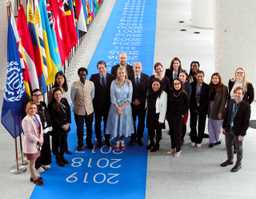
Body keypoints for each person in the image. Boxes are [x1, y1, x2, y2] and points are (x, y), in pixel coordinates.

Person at [221, 87, 251, 172]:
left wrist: (242, 134)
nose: (237, 95)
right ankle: (230, 160)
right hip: (228, 128)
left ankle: (238, 164)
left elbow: (246, 122)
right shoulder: (231, 102)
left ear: (243, 95)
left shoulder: (246, 106)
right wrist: (224, 126)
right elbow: (226, 115)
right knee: (228, 146)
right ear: (234, 94)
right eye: (236, 93)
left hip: (238, 131)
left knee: (238, 148)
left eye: (239, 93)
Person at [106, 67, 134, 151]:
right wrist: (118, 107)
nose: (121, 74)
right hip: (115, 107)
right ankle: (117, 141)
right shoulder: (113, 83)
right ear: (117, 74)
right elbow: (112, 97)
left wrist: (122, 107)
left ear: (125, 73)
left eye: (123, 72)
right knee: (116, 124)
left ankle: (122, 140)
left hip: (126, 108)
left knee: (123, 124)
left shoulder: (129, 83)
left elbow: (129, 97)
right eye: (119, 73)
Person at [90, 60, 114, 147]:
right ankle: (99, 140)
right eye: (99, 68)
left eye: (103, 68)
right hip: (97, 106)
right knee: (97, 123)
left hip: (108, 105)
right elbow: (91, 91)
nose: (101, 69)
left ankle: (107, 139)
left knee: (107, 123)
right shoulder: (93, 77)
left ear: (106, 68)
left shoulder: (111, 77)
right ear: (97, 69)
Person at [71, 67, 95, 151]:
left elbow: (92, 96)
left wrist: (87, 103)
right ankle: (80, 144)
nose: (83, 76)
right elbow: (72, 97)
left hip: (89, 110)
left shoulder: (91, 84)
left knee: (89, 128)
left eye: (84, 75)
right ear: (78, 75)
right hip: (78, 111)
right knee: (80, 129)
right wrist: (79, 104)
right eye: (81, 75)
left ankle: (89, 142)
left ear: (86, 75)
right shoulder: (74, 85)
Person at [22, 101, 44, 185]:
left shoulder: (37, 116)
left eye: (34, 108)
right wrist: (38, 140)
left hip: (37, 144)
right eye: (30, 108)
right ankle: (34, 178)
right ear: (27, 109)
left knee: (34, 161)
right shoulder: (26, 120)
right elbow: (28, 134)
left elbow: (40, 129)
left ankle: (33, 175)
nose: (33, 110)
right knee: (31, 163)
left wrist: (41, 138)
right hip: (30, 145)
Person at [49, 88, 71, 167]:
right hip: (57, 129)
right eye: (56, 94)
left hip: (66, 127)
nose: (58, 96)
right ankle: (58, 159)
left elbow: (69, 112)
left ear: (62, 94)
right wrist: (62, 125)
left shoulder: (64, 100)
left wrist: (68, 123)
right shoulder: (51, 105)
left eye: (59, 94)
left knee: (63, 144)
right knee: (57, 145)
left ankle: (62, 157)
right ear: (53, 95)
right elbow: (54, 118)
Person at [31, 89, 52, 172]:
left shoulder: (43, 104)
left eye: (39, 95)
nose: (38, 97)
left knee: (46, 146)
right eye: (36, 95)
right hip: (37, 132)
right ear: (32, 97)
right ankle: (38, 165)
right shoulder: (32, 107)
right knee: (38, 149)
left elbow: (46, 114)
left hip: (45, 129)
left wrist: (49, 125)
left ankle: (45, 162)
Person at [167, 79, 189, 157]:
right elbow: (168, 104)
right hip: (170, 116)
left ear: (181, 84)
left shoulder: (184, 94)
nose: (176, 85)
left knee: (177, 133)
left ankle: (178, 149)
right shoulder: (170, 93)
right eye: (175, 84)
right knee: (172, 133)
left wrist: (183, 114)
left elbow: (186, 106)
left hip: (179, 116)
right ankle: (173, 148)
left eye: (178, 84)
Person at [50, 71, 71, 154]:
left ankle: (65, 148)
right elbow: (51, 105)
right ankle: (56, 150)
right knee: (57, 136)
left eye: (61, 78)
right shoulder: (52, 90)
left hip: (65, 114)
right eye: (58, 78)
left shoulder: (65, 88)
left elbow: (68, 105)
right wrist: (61, 124)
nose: (60, 80)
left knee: (65, 135)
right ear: (55, 79)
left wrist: (68, 122)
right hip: (56, 117)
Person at [129, 62, 149, 146]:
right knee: (131, 122)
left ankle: (139, 137)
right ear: (133, 68)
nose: (137, 69)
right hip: (131, 104)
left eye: (138, 67)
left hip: (142, 104)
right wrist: (133, 100)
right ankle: (133, 137)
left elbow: (147, 92)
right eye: (135, 67)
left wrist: (140, 100)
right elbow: (128, 90)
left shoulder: (146, 77)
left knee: (141, 122)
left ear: (141, 68)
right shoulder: (129, 77)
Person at [189, 70, 209, 148]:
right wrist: (193, 107)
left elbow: (207, 100)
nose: (200, 78)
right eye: (198, 76)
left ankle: (199, 140)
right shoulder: (191, 85)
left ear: (203, 77)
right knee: (192, 125)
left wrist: (201, 108)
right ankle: (193, 139)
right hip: (193, 107)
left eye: (201, 76)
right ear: (196, 77)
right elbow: (190, 98)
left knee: (201, 125)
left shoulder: (207, 87)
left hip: (203, 109)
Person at [208, 73, 228, 147]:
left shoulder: (224, 87)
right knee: (210, 125)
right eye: (213, 78)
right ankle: (212, 140)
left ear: (219, 79)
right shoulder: (209, 86)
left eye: (216, 78)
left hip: (218, 107)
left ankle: (217, 139)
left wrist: (220, 111)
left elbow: (224, 100)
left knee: (217, 126)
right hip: (210, 107)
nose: (215, 80)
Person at [146, 79, 167, 152]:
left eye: (157, 84)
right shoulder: (149, 92)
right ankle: (152, 143)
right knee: (150, 130)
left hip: (158, 115)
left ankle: (157, 144)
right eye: (154, 84)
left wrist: (161, 119)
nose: (155, 86)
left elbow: (164, 107)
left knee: (158, 131)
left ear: (160, 85)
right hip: (150, 114)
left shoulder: (163, 94)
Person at [179, 70, 191, 144]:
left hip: (184, 109)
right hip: (176, 109)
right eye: (180, 76)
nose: (181, 77)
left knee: (183, 124)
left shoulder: (188, 86)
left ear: (186, 77)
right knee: (177, 124)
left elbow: (188, 99)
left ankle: (182, 138)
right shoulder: (175, 83)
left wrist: (184, 110)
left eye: (183, 76)